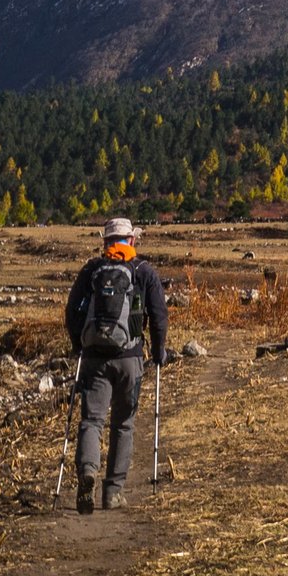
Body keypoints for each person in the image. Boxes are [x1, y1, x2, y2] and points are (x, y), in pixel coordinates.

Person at [62, 216, 170, 513]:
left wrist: (77, 345)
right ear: (132, 240)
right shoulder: (144, 271)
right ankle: (113, 492)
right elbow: (159, 315)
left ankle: (87, 471)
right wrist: (159, 351)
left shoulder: (93, 270)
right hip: (129, 358)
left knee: (92, 420)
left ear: (105, 242)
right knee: (123, 424)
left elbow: (72, 312)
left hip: (95, 356)